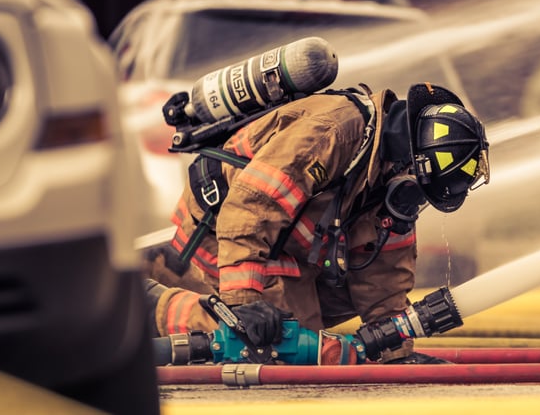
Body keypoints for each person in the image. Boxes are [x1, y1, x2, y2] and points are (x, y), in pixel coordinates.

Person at [144, 82, 489, 364]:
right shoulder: (330, 135)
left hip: (287, 244)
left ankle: (252, 311)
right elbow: (249, 210)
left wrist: (396, 352)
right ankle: (156, 307)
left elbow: (384, 275)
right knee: (283, 348)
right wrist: (244, 304)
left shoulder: (390, 171)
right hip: (221, 229)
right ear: (415, 165)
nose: (414, 202)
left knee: (309, 333)